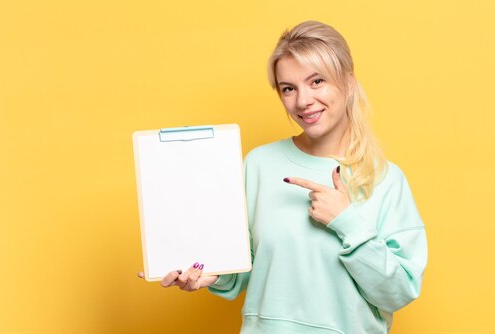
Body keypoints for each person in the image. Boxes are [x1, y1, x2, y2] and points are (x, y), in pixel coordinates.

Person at [139, 20, 428, 333]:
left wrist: (347, 222)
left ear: (348, 80)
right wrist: (212, 275)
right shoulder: (259, 165)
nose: (302, 101)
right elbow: (247, 261)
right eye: (288, 89)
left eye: (317, 81)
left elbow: (398, 291)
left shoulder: (385, 179)